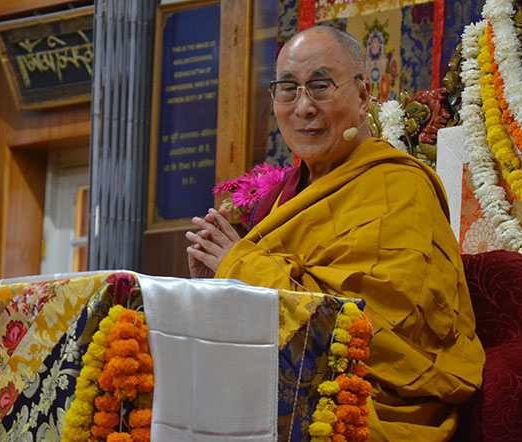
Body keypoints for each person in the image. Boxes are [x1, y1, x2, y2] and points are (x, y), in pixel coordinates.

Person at [185, 25, 484, 441]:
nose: (304, 107)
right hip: (270, 380)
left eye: (320, 87)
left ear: (363, 97)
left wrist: (241, 268)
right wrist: (216, 288)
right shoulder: (278, 201)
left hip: (364, 401)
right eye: (287, 89)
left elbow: (381, 325)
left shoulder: (401, 187)